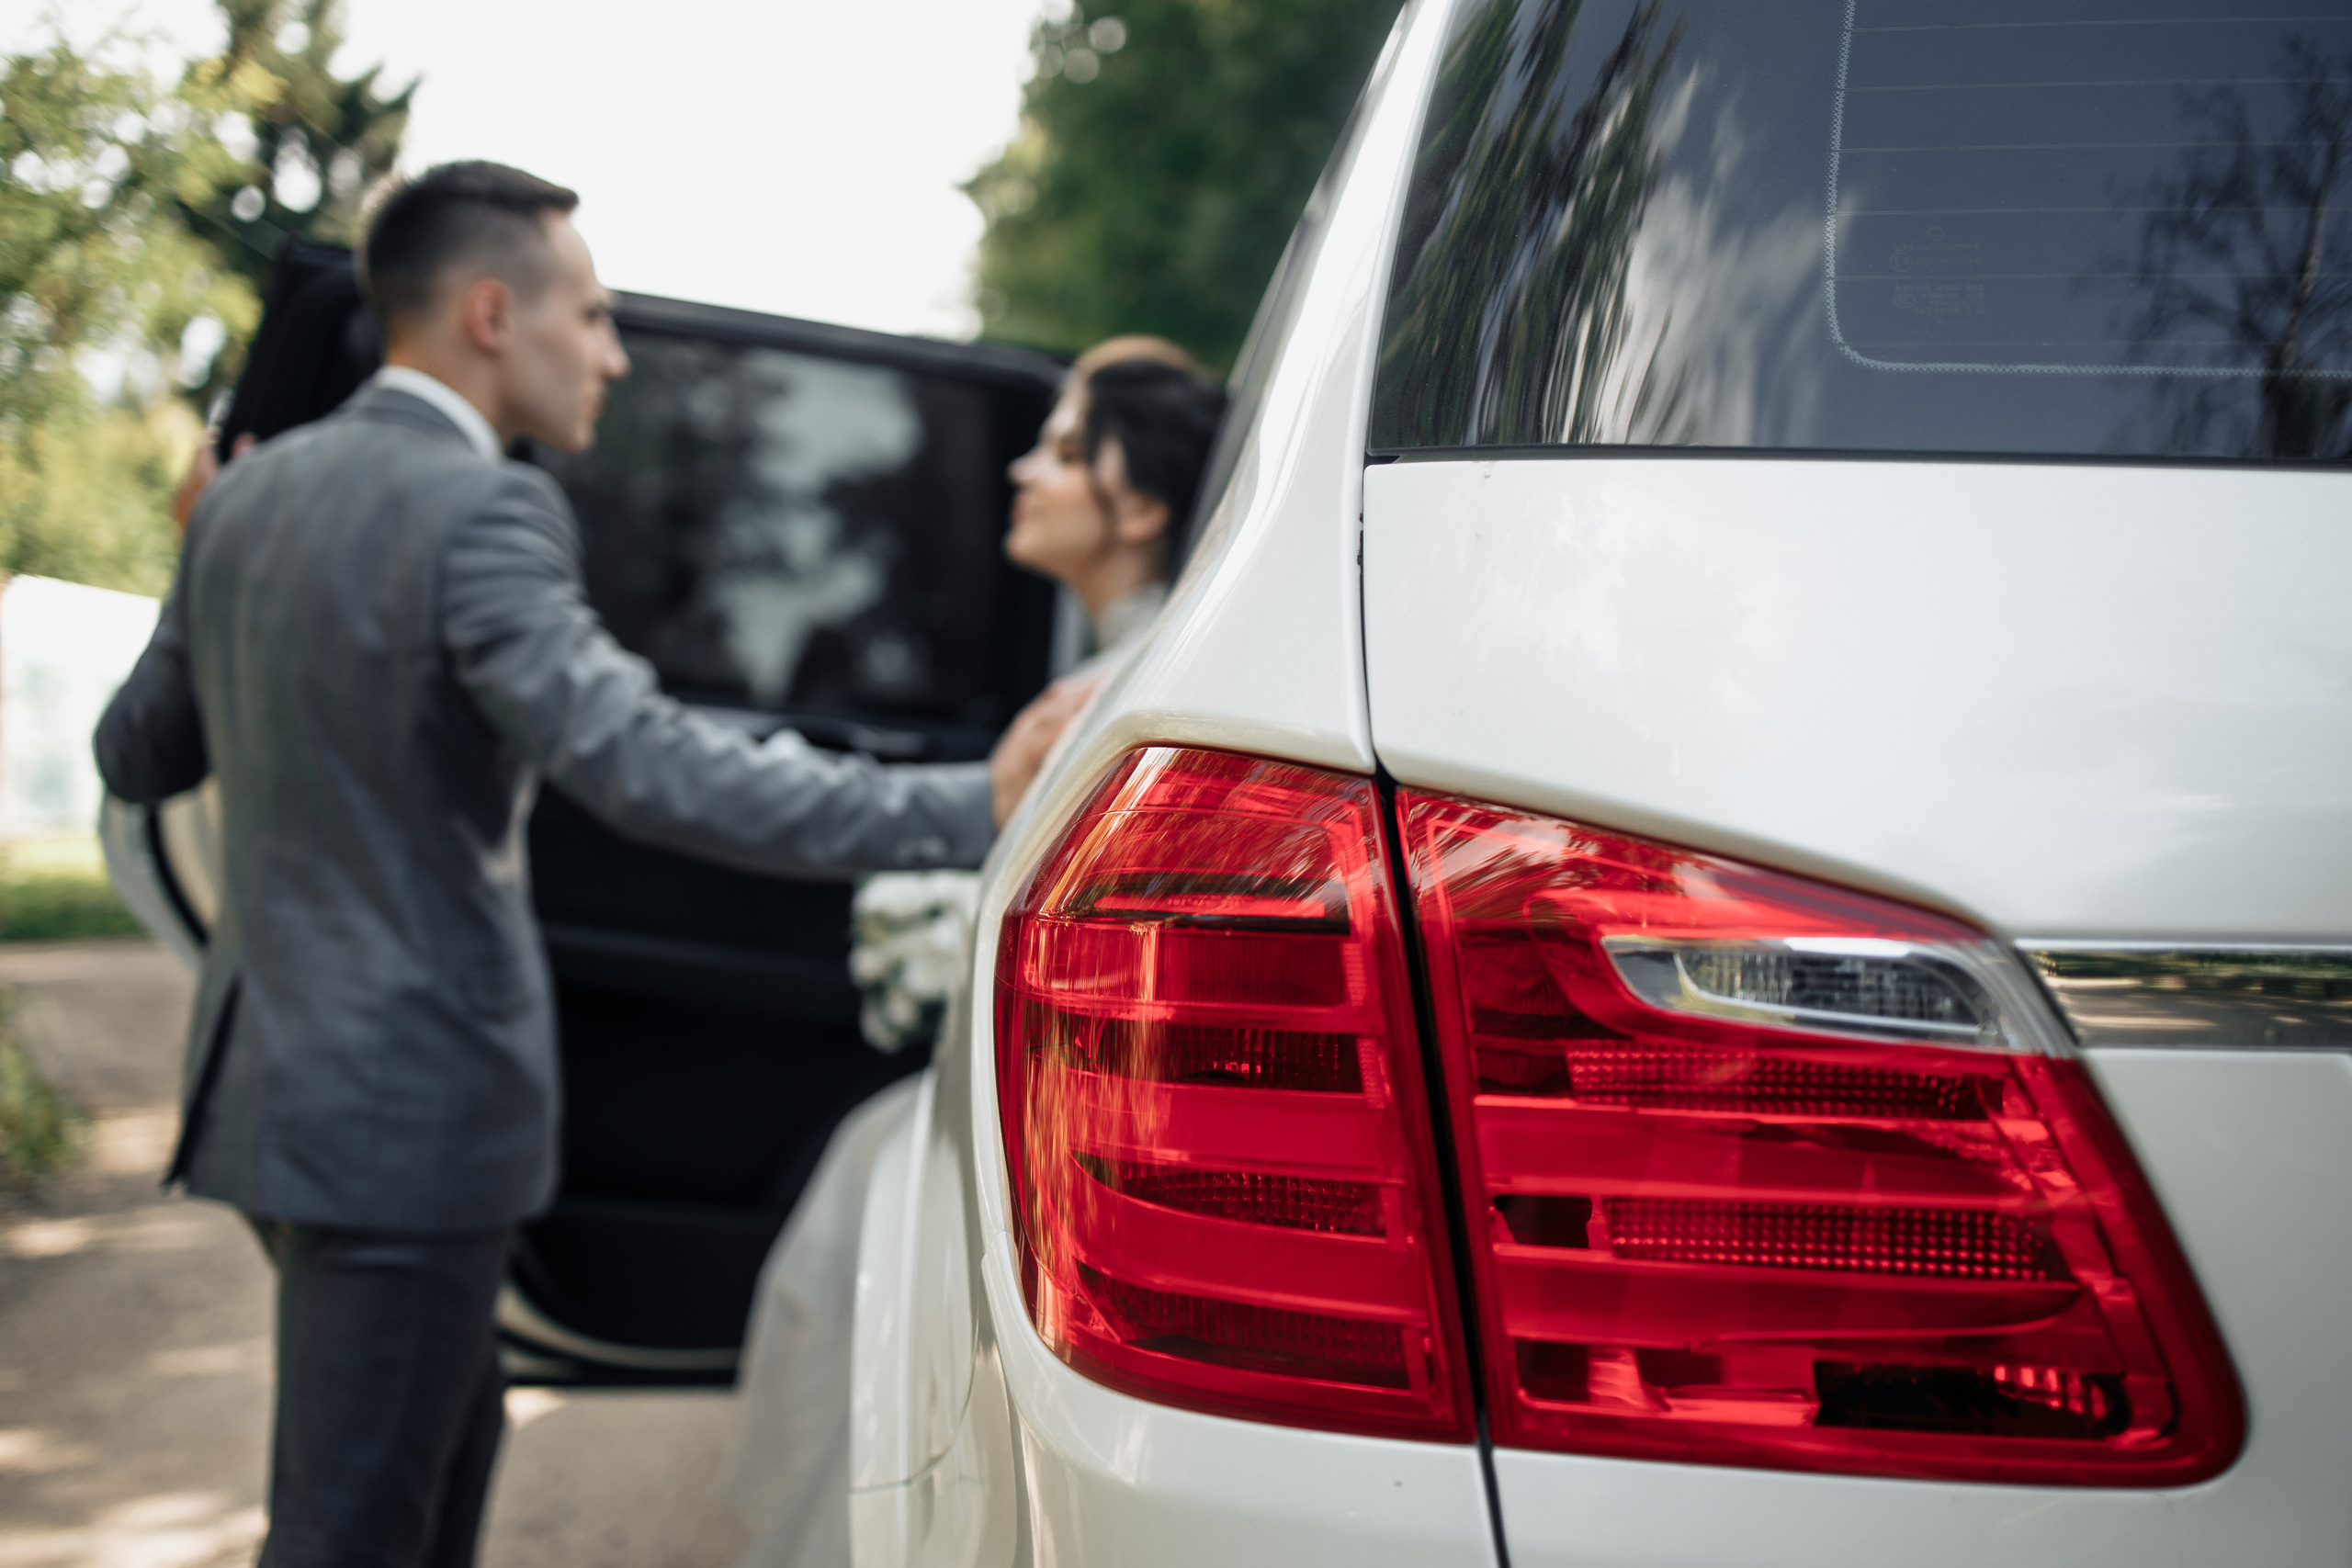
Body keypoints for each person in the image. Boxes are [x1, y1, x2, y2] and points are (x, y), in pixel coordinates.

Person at [91, 161, 1086, 1568]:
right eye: (594, 315)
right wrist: (967, 801)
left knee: (428, 1470)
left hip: (271, 1094)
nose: (612, 354)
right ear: (493, 315)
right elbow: (649, 766)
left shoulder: (248, 501)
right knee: (355, 1527)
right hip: (408, 1115)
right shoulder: (483, 510)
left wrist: (200, 554)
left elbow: (138, 754)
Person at [729, 338, 1227, 1568]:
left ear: (1141, 506)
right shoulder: (1123, 675)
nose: (1022, 470)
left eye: (1061, 448)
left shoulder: (1123, 697)